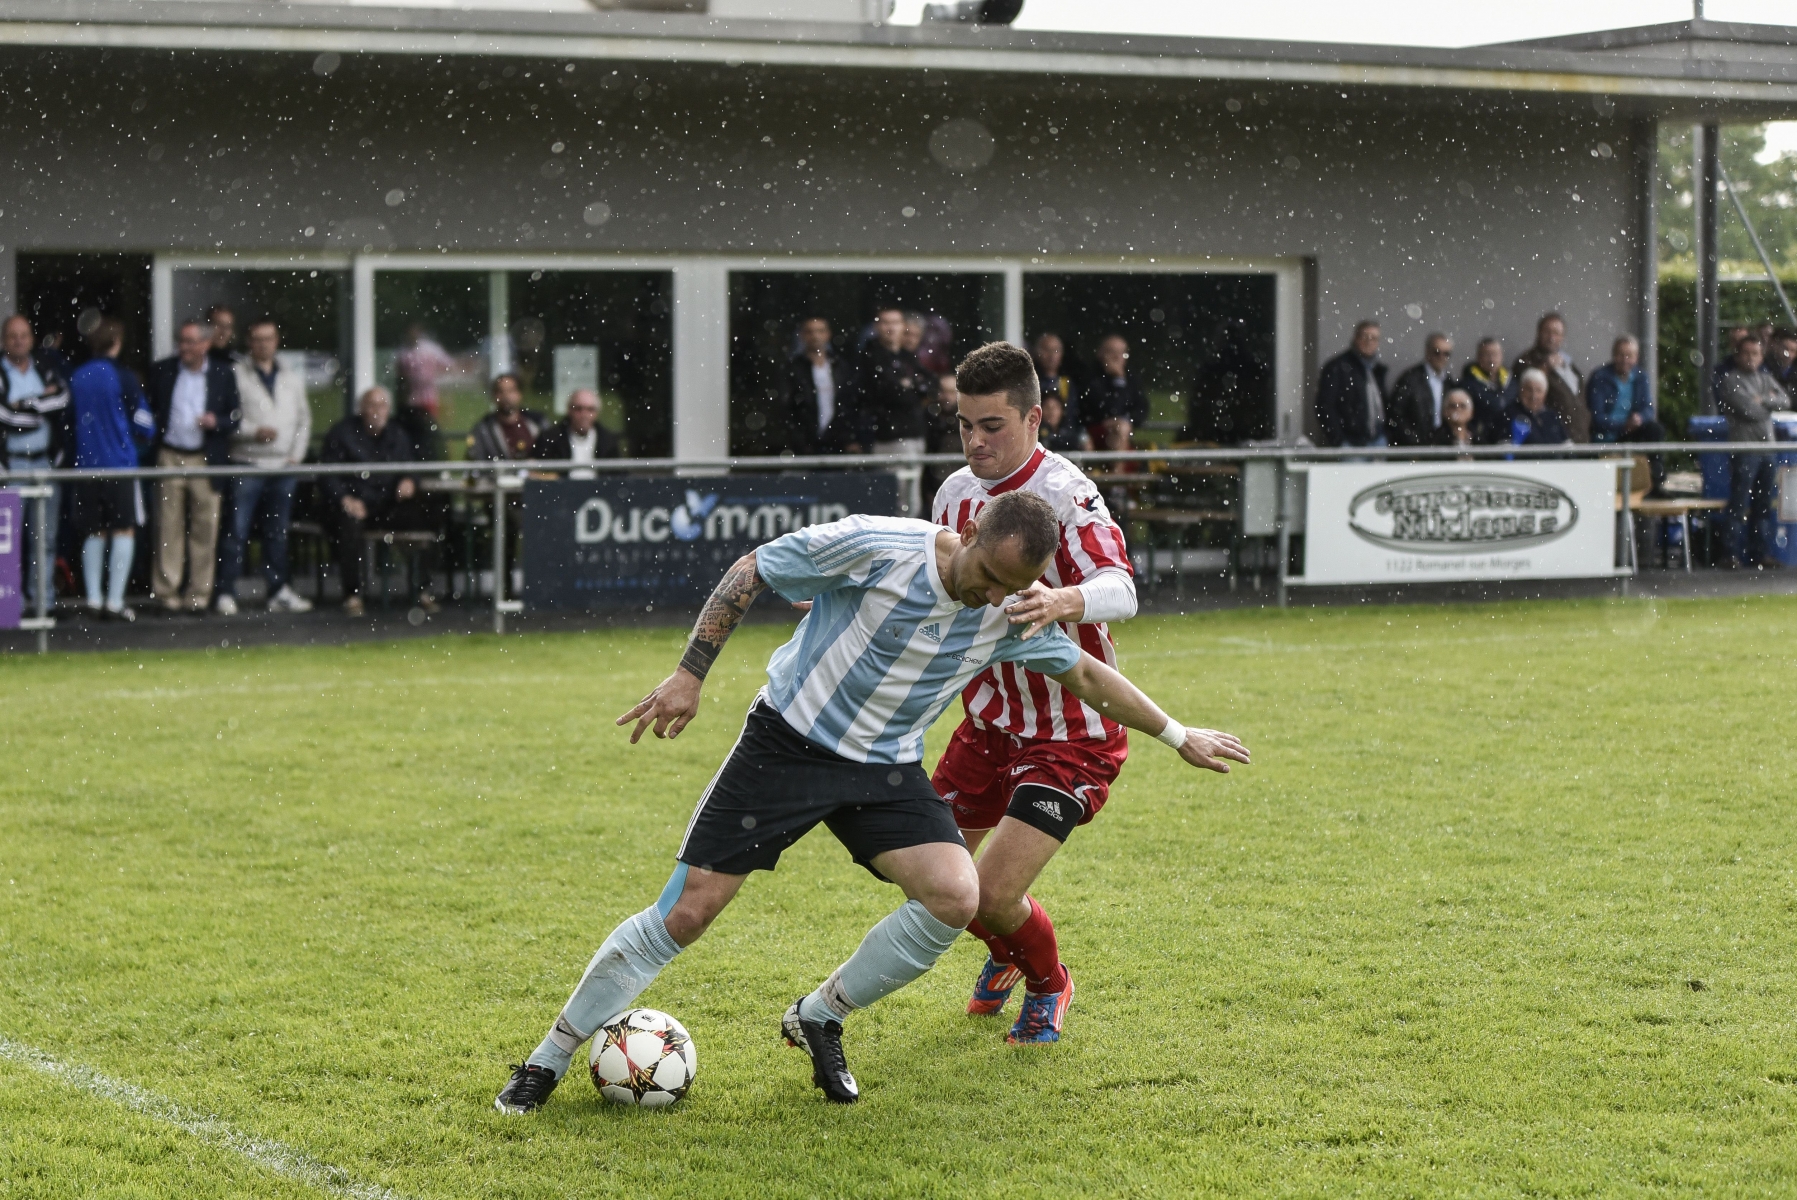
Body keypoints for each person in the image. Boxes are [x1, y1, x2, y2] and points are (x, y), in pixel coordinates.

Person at [491, 489, 1250, 1114]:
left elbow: (1086, 677)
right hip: (785, 743)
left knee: (957, 896)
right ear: (967, 534)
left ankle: (819, 1015)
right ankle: (548, 1059)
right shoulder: (880, 545)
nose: (991, 597)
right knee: (687, 914)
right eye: (987, 575)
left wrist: (1176, 732)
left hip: (882, 768)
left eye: (1010, 590)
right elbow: (753, 568)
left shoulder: (1011, 609)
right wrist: (691, 673)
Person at [931, 341, 1138, 1044]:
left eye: (992, 425)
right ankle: (1006, 953)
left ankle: (1049, 982)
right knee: (931, 882)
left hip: (1070, 731)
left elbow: (1122, 590)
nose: (975, 440)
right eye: (964, 425)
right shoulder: (955, 493)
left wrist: (1064, 601)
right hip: (987, 724)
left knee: (990, 891)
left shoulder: (1067, 494)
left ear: (1034, 417)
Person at [216, 318, 312, 615]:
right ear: (249, 342)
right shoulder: (235, 374)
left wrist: (296, 456)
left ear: (277, 340)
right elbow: (226, 417)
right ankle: (226, 590)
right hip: (247, 462)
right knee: (236, 530)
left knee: (277, 532)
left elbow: (303, 419)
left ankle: (278, 590)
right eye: (257, 339)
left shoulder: (290, 377)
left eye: (268, 338)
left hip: (283, 466)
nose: (263, 344)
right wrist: (252, 432)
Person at [147, 319, 241, 613]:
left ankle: (198, 596)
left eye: (189, 342)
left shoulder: (223, 374)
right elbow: (151, 409)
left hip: (205, 456)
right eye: (181, 341)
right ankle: (166, 594)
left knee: (205, 527)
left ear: (205, 344)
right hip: (171, 455)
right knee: (168, 526)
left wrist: (218, 422)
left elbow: (235, 416)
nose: (183, 348)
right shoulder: (163, 370)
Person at [66, 319, 153, 621]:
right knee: (124, 528)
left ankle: (93, 599)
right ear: (117, 343)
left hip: (86, 465)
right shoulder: (124, 377)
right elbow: (145, 426)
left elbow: (68, 422)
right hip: (120, 465)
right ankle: (114, 602)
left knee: (94, 530)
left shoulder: (77, 376)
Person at [318, 387, 433, 616]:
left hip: (388, 504)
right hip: (355, 505)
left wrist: (410, 480)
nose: (376, 411)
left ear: (388, 409)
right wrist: (345, 498)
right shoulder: (342, 434)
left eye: (381, 405)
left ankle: (421, 589)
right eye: (371, 405)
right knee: (348, 524)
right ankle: (353, 594)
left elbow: (412, 466)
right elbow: (327, 474)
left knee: (426, 515)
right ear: (361, 408)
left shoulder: (398, 435)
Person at [0, 314, 70, 609]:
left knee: (44, 538)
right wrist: (40, 406)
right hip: (10, 467)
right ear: (4, 341)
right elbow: (6, 418)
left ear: (31, 339)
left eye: (24, 335)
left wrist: (27, 404)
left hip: (44, 465)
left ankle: (42, 603)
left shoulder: (45, 368)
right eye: (13, 335)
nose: (19, 340)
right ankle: (9, 607)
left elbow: (64, 400)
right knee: (8, 541)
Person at [1714, 334, 1791, 568]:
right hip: (1745, 450)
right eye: (1746, 353)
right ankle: (1729, 554)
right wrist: (1767, 403)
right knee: (1738, 503)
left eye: (1755, 354)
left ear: (1761, 357)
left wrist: (1763, 401)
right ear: (1737, 355)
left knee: (1763, 504)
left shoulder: (1765, 379)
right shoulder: (1730, 380)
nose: (1751, 358)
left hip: (1767, 450)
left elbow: (1786, 401)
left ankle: (1760, 553)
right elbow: (1749, 411)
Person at [858, 306, 937, 514]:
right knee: (894, 499)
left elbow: (931, 384)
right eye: (885, 322)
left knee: (912, 500)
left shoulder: (907, 356)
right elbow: (892, 394)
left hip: (914, 434)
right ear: (877, 327)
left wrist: (909, 386)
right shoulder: (871, 356)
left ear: (903, 327)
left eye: (895, 322)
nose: (890, 328)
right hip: (889, 437)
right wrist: (911, 388)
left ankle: (908, 545)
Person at [1586, 334, 1665, 493]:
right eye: (1621, 355)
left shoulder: (1640, 377)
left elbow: (1648, 409)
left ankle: (1657, 482)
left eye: (1629, 355)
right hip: (1608, 436)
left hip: (1631, 433)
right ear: (1614, 355)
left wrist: (1639, 418)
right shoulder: (1600, 377)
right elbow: (1597, 418)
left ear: (1636, 358)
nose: (1625, 360)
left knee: (1655, 430)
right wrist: (1623, 425)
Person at [780, 317, 859, 455]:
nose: (816, 336)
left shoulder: (840, 366)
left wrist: (850, 438)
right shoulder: (794, 369)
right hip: (806, 442)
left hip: (838, 440)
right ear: (802, 336)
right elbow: (788, 408)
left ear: (828, 334)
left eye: (820, 331)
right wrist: (799, 440)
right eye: (810, 332)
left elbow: (849, 403)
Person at [1514, 313, 1588, 442]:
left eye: (1556, 333)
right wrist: (1545, 368)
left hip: (1580, 436)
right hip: (1553, 438)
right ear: (1538, 333)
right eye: (1547, 332)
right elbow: (1528, 391)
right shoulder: (1526, 360)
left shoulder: (1569, 364)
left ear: (1562, 337)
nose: (1551, 337)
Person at [1314, 320, 1388, 448]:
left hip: (1378, 440)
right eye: (1365, 337)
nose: (1369, 342)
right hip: (1351, 443)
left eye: (1374, 338)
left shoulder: (1377, 370)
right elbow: (1325, 406)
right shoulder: (1338, 367)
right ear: (1356, 338)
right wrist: (1338, 440)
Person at [1078, 334, 1149, 452]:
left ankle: (1115, 469)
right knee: (1120, 428)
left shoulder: (1131, 379)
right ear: (1100, 354)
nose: (1117, 357)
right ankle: (1116, 469)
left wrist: (1128, 420)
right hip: (1094, 430)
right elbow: (1105, 408)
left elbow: (1142, 408)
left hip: (1122, 432)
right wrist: (1118, 382)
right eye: (1112, 352)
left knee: (1121, 428)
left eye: (1122, 353)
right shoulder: (1090, 378)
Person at [1385, 333, 1454, 447]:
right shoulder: (1410, 379)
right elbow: (1396, 414)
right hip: (1414, 446)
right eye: (1437, 352)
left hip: (1440, 444)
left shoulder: (1449, 382)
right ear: (1428, 352)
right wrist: (1413, 440)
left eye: (1446, 354)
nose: (1441, 357)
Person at [532, 389, 618, 480]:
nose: (584, 414)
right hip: (562, 491)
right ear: (569, 410)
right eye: (578, 409)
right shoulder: (550, 439)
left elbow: (617, 475)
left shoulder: (608, 441)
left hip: (599, 491)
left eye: (590, 410)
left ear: (597, 413)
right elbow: (537, 471)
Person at [467, 373, 548, 461]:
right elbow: (477, 461)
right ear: (494, 396)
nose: (506, 396)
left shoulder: (538, 422)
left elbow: (551, 455)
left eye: (511, 391)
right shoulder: (484, 429)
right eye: (501, 391)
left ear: (519, 394)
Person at [1457, 338, 1510, 445]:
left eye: (1495, 354)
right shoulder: (1468, 385)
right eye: (1487, 354)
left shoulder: (1512, 383)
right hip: (1481, 442)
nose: (1491, 359)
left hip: (1507, 441)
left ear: (1501, 356)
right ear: (1478, 357)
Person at [395, 324, 453, 420]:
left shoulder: (431, 349)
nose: (413, 335)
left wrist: (435, 378)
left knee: (429, 424)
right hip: (410, 398)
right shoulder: (402, 352)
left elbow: (448, 365)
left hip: (429, 397)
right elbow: (397, 372)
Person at [1506, 369, 1571, 445]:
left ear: (1545, 394)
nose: (1534, 395)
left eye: (1538, 390)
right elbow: (1506, 450)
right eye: (1529, 390)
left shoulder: (1552, 416)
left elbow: (1567, 446)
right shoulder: (1509, 415)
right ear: (1521, 390)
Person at [1032, 333, 1075, 413]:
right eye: (1047, 350)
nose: (1051, 355)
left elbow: (1071, 415)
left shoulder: (1066, 383)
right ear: (1037, 353)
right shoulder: (1030, 382)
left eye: (1056, 350)